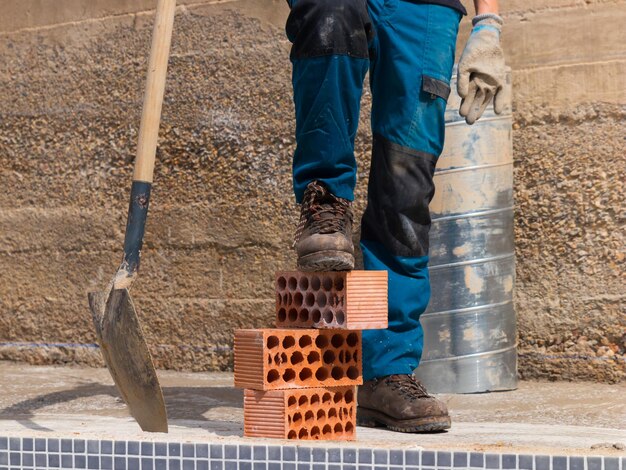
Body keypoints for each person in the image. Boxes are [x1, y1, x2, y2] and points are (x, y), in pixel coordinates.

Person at [287, 0, 506, 432]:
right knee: (330, 17)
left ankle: (386, 371)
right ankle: (325, 202)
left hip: (424, 7)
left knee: (405, 184)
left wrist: (489, 22)